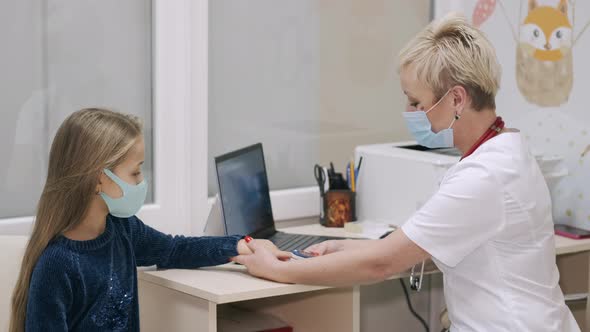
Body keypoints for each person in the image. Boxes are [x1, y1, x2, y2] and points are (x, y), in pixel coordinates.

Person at [233, 14, 580, 331]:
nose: (409, 111)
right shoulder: (506, 149)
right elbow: (401, 245)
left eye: (416, 102)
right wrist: (339, 247)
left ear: (457, 99)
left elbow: (381, 264)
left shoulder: (484, 177)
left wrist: (276, 269)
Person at [10, 108, 290, 332]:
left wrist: (241, 245)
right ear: (99, 179)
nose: (141, 182)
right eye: (135, 173)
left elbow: (173, 249)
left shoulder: (123, 230)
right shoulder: (56, 266)